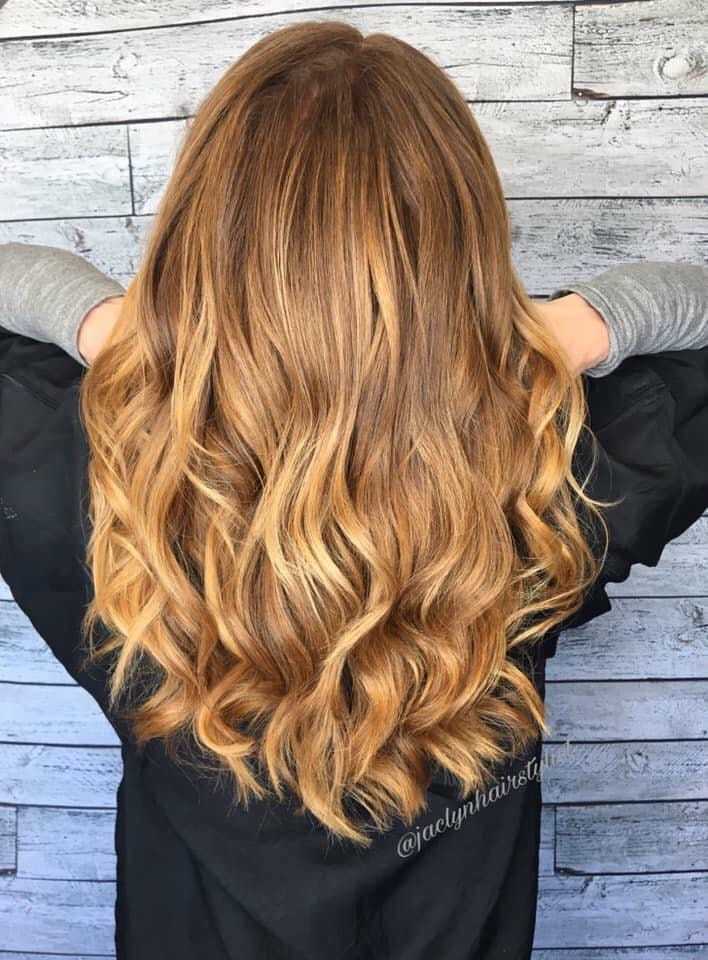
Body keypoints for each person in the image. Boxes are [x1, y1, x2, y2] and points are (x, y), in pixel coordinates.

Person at [0, 20, 707, 960]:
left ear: (198, 233)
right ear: (461, 245)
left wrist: (108, 326)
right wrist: (566, 328)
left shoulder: (79, 455)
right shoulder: (563, 463)